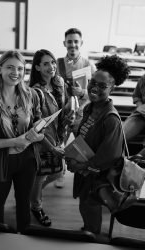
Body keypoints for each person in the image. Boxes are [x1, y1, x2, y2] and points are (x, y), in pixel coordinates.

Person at [0, 50, 44, 232]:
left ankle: (23, 238)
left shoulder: (31, 95)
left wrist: (38, 133)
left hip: (27, 160)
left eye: (20, 68)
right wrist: (15, 141)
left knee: (23, 205)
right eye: (10, 67)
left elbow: (38, 123)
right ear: (0, 69)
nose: (16, 73)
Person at [66, 55, 130, 235]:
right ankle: (88, 229)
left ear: (112, 88)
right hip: (85, 171)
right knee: (84, 205)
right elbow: (84, 138)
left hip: (97, 176)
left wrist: (82, 165)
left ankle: (91, 236)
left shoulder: (111, 119)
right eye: (93, 82)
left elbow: (110, 156)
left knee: (90, 206)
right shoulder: (89, 108)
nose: (95, 88)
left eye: (102, 86)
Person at [29, 49, 69, 227]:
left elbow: (64, 108)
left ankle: (30, 194)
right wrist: (51, 146)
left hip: (59, 136)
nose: (51, 66)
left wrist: (70, 114)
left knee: (59, 172)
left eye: (52, 62)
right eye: (45, 64)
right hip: (42, 141)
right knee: (41, 175)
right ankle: (35, 206)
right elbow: (36, 126)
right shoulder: (34, 92)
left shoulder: (59, 83)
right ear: (37, 67)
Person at [55, 27, 96, 188]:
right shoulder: (57, 64)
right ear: (64, 43)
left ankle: (81, 176)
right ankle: (59, 173)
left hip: (82, 113)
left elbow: (97, 91)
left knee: (81, 146)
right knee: (59, 144)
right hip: (63, 112)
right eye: (69, 41)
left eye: (76, 41)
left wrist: (83, 91)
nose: (73, 45)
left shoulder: (89, 65)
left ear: (81, 43)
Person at [122, 74, 145, 144]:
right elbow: (136, 96)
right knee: (120, 137)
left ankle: (140, 155)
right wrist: (140, 106)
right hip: (141, 114)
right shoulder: (144, 78)